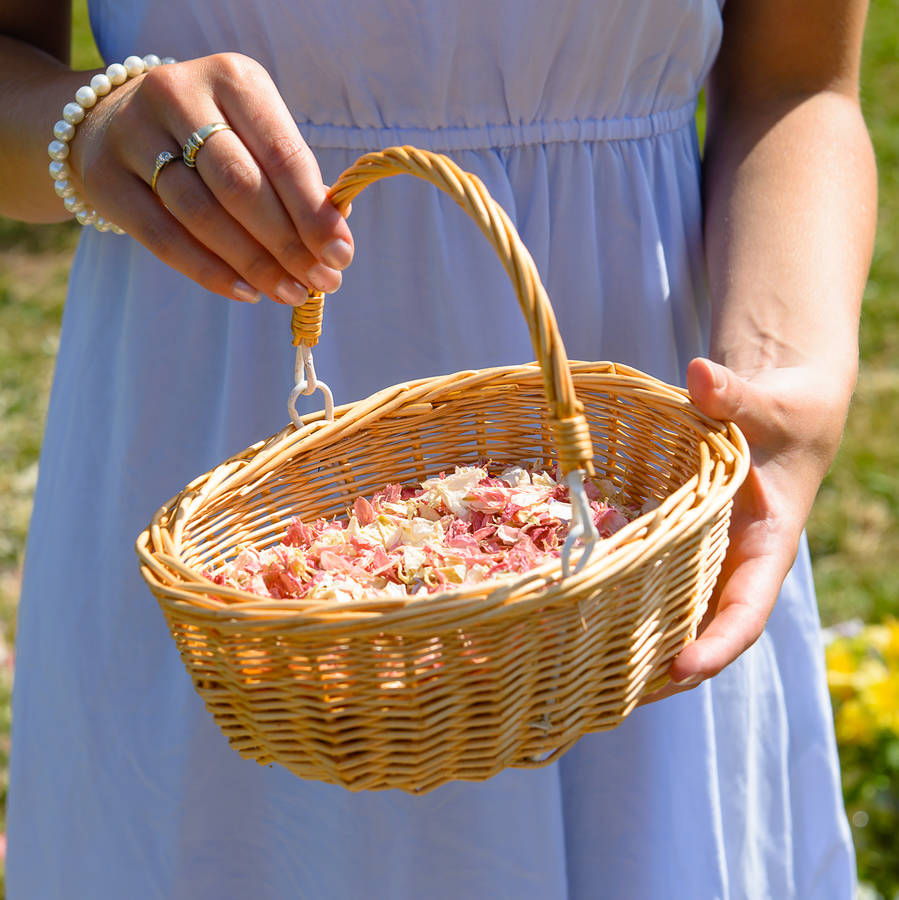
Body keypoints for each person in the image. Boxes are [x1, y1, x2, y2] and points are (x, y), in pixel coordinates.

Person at [0, 0, 875, 896]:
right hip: (225, 418)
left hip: (631, 469)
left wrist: (782, 376)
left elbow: (796, 83)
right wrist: (93, 128)